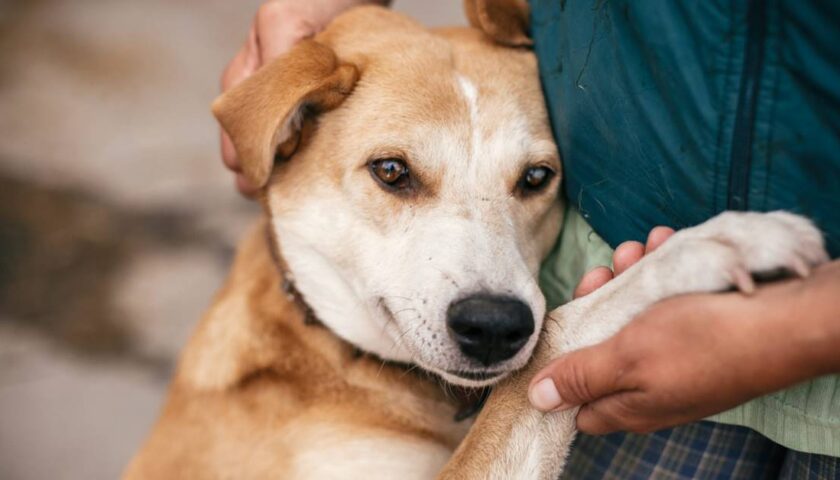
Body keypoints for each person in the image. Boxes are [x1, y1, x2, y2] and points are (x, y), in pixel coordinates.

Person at [218, 1, 840, 477]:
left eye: (531, 178)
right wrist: (607, 313)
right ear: (289, 131)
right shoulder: (251, 408)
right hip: (643, 323)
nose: (487, 291)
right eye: (395, 174)